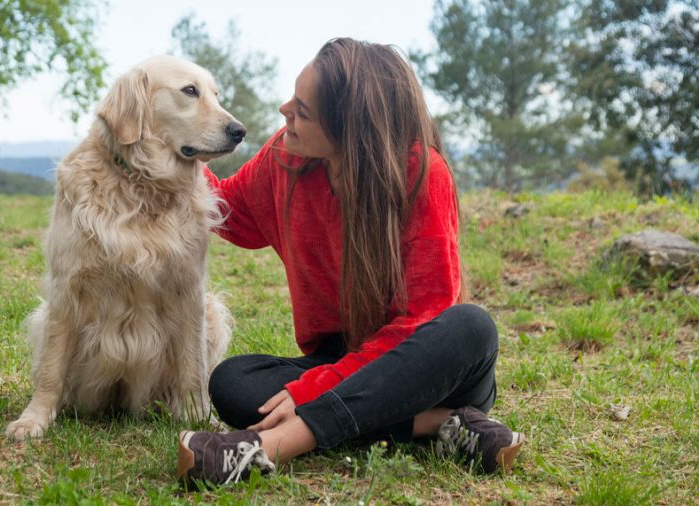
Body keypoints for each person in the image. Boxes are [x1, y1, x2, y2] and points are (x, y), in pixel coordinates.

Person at [176, 38, 524, 486]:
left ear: (350, 129)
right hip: (341, 358)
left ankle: (272, 446)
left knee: (473, 327)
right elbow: (227, 208)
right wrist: (169, 139)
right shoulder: (287, 158)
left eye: (303, 111)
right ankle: (440, 424)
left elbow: (424, 320)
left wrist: (311, 393)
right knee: (232, 383)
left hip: (424, 364)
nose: (285, 112)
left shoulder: (422, 174)